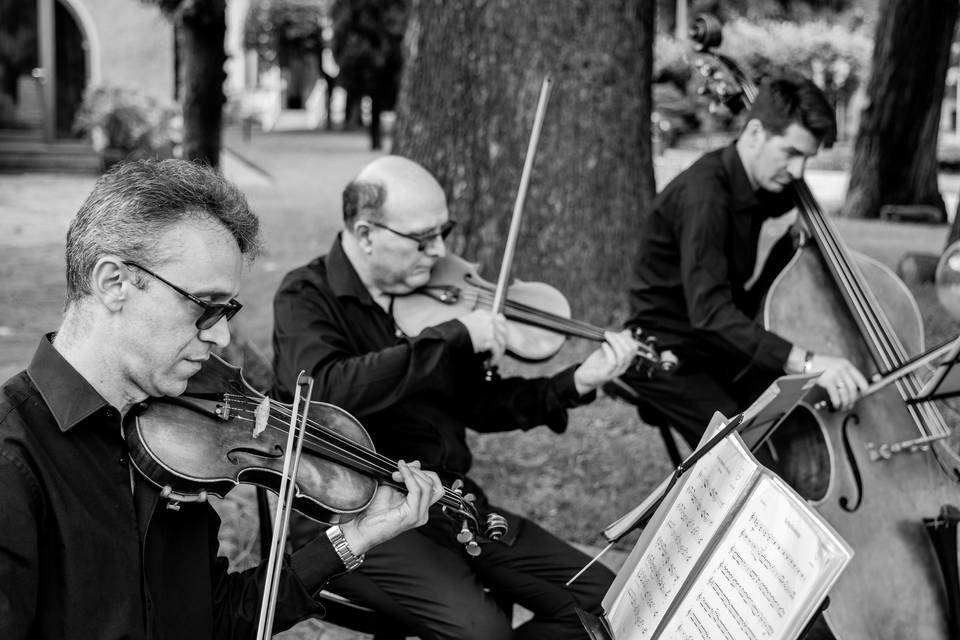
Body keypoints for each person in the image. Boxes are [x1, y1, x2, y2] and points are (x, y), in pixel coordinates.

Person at [0, 159, 445, 640]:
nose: (223, 334)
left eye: (227, 310)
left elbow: (217, 618)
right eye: (205, 306)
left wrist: (351, 540)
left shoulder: (178, 440)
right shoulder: (13, 461)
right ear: (114, 283)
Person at [271, 155, 640, 640]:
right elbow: (327, 389)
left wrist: (575, 382)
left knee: (608, 599)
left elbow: (480, 406)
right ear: (365, 234)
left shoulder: (435, 295)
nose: (439, 250)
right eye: (423, 239)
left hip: (449, 502)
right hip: (358, 512)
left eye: (443, 232)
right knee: (482, 633)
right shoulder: (305, 295)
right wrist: (449, 338)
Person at [616, 75, 869, 450]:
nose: (798, 172)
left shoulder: (758, 183)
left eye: (807, 158)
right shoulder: (705, 197)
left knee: (787, 411)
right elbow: (711, 314)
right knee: (741, 446)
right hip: (667, 353)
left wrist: (798, 239)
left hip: (715, 343)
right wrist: (807, 361)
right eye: (790, 153)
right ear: (754, 133)